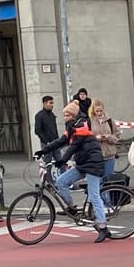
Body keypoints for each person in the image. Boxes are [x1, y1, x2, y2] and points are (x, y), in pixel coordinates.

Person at [41, 100, 112, 243]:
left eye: (68, 115)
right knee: (61, 181)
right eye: (64, 115)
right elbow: (60, 141)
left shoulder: (81, 126)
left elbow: (73, 146)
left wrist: (62, 160)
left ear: (73, 116)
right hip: (83, 164)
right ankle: (71, 208)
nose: (65, 117)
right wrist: (43, 150)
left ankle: (103, 228)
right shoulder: (71, 128)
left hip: (93, 164)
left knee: (94, 196)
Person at [87, 98, 121, 182]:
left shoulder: (109, 120)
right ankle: (100, 195)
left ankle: (107, 195)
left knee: (108, 180)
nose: (99, 113)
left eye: (101, 111)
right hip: (96, 155)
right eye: (97, 111)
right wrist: (96, 138)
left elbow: (117, 135)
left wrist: (109, 137)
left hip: (109, 154)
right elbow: (87, 138)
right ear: (93, 110)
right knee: (98, 181)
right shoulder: (90, 121)